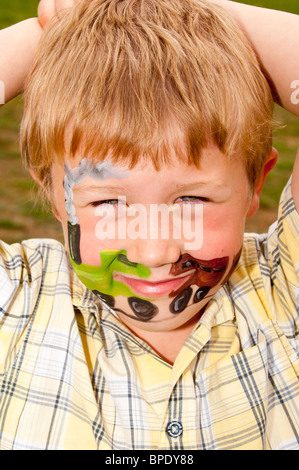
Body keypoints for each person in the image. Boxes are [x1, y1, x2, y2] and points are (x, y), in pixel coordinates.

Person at [0, 0, 298, 450]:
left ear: (256, 182)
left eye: (192, 198)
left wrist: (203, 10)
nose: (154, 251)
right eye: (107, 202)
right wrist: (55, 37)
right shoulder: (14, 302)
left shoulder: (285, 289)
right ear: (55, 194)